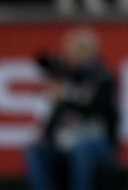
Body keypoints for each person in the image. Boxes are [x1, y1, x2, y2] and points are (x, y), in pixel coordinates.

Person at [24, 28, 118, 190]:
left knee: (80, 150)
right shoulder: (66, 77)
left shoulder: (103, 77)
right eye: (73, 49)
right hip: (65, 139)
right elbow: (57, 113)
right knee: (36, 148)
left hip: (96, 141)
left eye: (82, 49)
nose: (76, 54)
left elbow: (96, 107)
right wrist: (45, 135)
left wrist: (66, 95)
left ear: (93, 51)